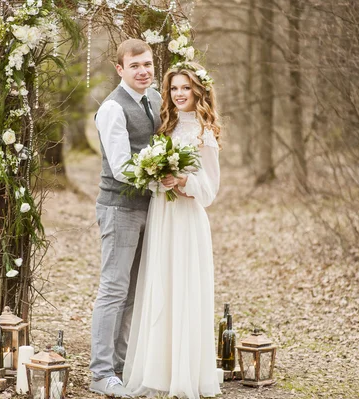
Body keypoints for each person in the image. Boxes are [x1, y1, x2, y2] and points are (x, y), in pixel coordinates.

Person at [123, 62, 223, 399]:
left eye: (186, 88)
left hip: (187, 219)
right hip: (163, 216)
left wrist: (183, 180)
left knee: (183, 289)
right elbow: (153, 178)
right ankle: (157, 372)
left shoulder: (203, 133)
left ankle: (184, 375)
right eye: (174, 88)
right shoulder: (167, 128)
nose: (179, 94)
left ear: (199, 91)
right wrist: (157, 178)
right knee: (161, 288)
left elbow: (209, 190)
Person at [89, 38, 162, 398]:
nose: (143, 71)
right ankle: (100, 372)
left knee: (133, 292)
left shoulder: (157, 98)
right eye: (135, 66)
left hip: (150, 208)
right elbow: (119, 168)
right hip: (119, 208)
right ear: (120, 70)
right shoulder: (112, 109)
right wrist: (160, 174)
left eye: (147, 64)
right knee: (113, 290)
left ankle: (120, 366)